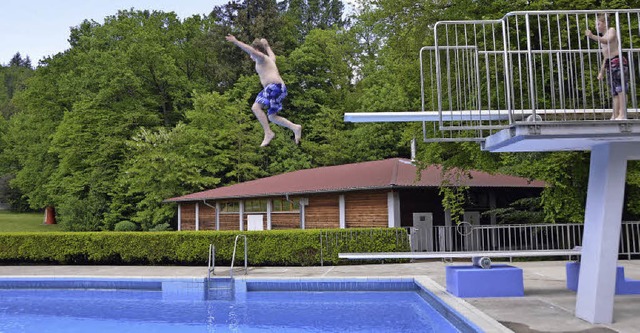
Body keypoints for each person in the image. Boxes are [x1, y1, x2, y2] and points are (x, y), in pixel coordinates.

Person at [225, 35, 302, 147]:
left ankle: (268, 133)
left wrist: (236, 41)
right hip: (280, 89)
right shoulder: (269, 59)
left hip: (273, 87)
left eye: (252, 54)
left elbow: (250, 50)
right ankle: (295, 127)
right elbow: (272, 55)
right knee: (272, 117)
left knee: (256, 107)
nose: (251, 56)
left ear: (256, 51)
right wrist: (267, 45)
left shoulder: (261, 58)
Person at [585, 13, 628, 120]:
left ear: (605, 24)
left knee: (621, 89)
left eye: (598, 24)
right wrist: (601, 71)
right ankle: (615, 114)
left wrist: (592, 36)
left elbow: (608, 40)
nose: (596, 26)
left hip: (618, 62)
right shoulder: (602, 37)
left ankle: (622, 114)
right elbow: (606, 57)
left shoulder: (611, 30)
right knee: (614, 91)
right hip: (610, 63)